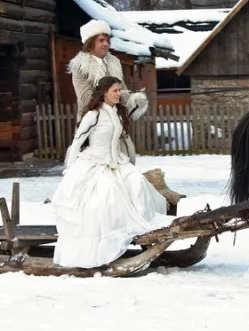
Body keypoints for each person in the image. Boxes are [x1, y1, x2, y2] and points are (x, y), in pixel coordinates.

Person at [51, 76, 173, 268]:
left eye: (119, 90)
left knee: (137, 182)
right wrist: (71, 167)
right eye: (115, 91)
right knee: (108, 194)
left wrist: (138, 103)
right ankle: (105, 244)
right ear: (104, 92)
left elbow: (126, 126)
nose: (119, 94)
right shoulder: (93, 115)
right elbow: (77, 141)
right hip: (95, 162)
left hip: (117, 162)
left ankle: (145, 230)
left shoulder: (117, 113)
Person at [67, 19, 148, 165]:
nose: (106, 44)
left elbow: (122, 91)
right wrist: (116, 95)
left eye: (107, 40)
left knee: (122, 164)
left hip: (116, 120)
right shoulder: (80, 66)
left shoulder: (114, 63)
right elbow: (86, 98)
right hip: (94, 123)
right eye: (101, 40)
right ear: (90, 43)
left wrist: (133, 100)